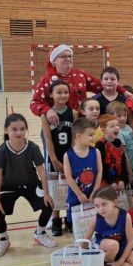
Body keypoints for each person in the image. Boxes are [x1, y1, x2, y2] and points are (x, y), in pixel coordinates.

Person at [0, 114, 56, 257]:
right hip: (8, 187)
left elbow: (41, 171)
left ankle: (40, 233)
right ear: (6, 130)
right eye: (14, 129)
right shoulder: (1, 151)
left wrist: (46, 193)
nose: (19, 132)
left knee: (48, 205)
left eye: (22, 129)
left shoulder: (32, 147)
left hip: (30, 184)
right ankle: (4, 239)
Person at [30, 44, 124, 126]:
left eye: (70, 56)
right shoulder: (46, 80)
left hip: (81, 124)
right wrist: (47, 110)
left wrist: (124, 91)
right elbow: (35, 103)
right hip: (58, 126)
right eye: (63, 56)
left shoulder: (80, 74)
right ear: (54, 61)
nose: (68, 59)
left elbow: (104, 85)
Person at [39, 80, 77, 231]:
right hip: (53, 157)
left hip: (69, 155)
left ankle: (69, 217)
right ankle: (55, 218)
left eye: (65, 92)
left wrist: (71, 156)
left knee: (69, 186)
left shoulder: (73, 113)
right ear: (51, 94)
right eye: (59, 92)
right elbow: (47, 139)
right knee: (55, 188)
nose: (63, 95)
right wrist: (54, 159)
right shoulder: (45, 116)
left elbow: (74, 136)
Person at [85, 186, 133, 266]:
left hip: (122, 247)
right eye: (97, 206)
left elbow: (130, 242)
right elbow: (85, 241)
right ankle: (106, 263)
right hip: (105, 248)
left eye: (104, 204)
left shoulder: (126, 217)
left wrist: (119, 263)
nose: (100, 209)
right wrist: (78, 257)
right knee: (113, 245)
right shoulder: (95, 219)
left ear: (115, 202)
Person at [63, 117, 103, 236]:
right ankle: (79, 244)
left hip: (93, 195)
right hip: (75, 197)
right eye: (90, 135)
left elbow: (99, 172)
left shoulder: (96, 152)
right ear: (79, 136)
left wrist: (95, 191)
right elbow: (68, 177)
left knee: (95, 225)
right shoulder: (68, 155)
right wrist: (79, 194)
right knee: (78, 229)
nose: (94, 137)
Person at [95, 114, 131, 190]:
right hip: (106, 182)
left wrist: (122, 179)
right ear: (103, 129)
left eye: (117, 125)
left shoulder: (119, 142)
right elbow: (101, 166)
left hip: (119, 181)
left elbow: (123, 162)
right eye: (112, 126)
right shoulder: (100, 145)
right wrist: (110, 182)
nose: (116, 128)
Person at [108, 101, 133, 183]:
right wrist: (130, 173)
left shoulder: (128, 127)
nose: (122, 118)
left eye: (125, 115)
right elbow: (123, 154)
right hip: (127, 170)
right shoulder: (118, 133)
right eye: (119, 116)